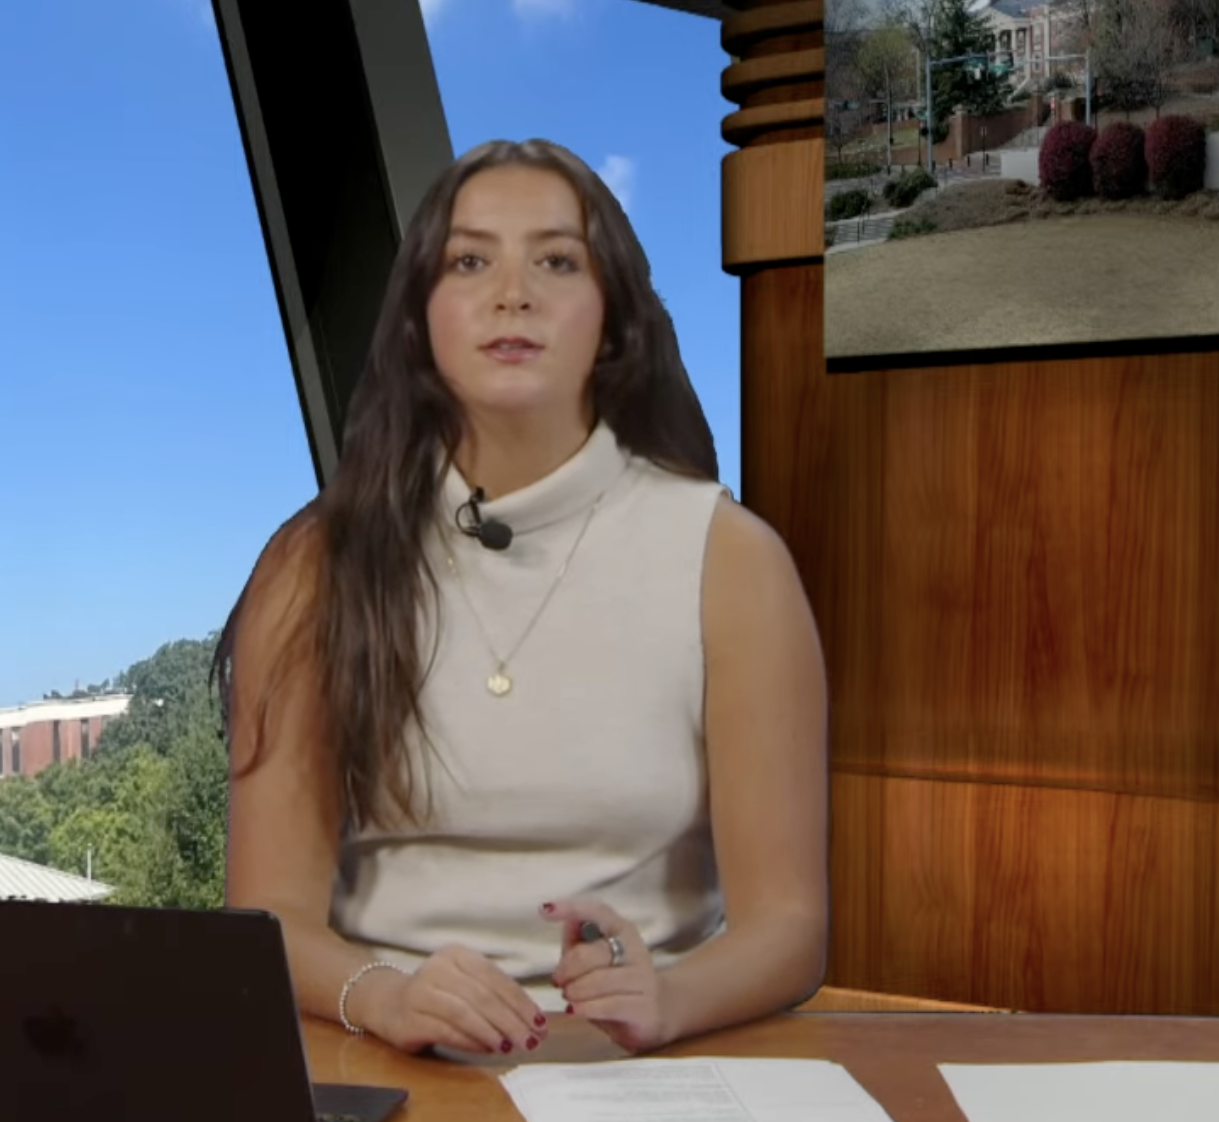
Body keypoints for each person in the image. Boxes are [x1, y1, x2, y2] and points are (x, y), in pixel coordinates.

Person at [212, 138, 828, 1060]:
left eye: (556, 261)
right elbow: (267, 916)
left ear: (612, 315)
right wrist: (386, 996)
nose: (513, 294)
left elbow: (789, 927)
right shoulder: (316, 565)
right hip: (386, 1057)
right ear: (420, 317)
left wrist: (668, 998)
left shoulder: (730, 560)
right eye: (470, 262)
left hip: (649, 1072)